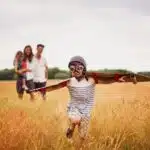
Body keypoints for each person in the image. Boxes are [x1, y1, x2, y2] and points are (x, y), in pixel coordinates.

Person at [29, 56, 137, 144]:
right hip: (74, 107)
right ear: (70, 70)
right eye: (72, 68)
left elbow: (106, 80)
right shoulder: (69, 81)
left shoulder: (92, 80)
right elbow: (54, 87)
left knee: (82, 136)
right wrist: (38, 90)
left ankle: (76, 140)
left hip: (86, 110)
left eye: (79, 68)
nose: (75, 71)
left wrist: (117, 79)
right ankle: (70, 129)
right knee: (75, 119)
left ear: (83, 69)